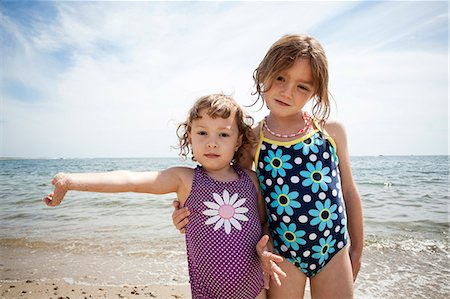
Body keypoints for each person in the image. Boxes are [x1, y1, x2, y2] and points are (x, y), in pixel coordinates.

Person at [172, 35, 364, 299]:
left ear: (316, 91)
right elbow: (229, 192)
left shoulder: (330, 131)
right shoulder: (253, 139)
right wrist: (187, 211)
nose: (287, 92)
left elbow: (349, 191)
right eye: (281, 78)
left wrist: (357, 249)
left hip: (332, 247)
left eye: (302, 87)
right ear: (264, 73)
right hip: (280, 253)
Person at [43, 93, 286, 299]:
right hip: (207, 290)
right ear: (189, 136)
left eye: (223, 135)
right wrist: (71, 182)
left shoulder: (251, 180)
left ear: (238, 141)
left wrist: (266, 249)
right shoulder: (185, 179)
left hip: (253, 287)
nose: (212, 143)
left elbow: (264, 225)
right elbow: (131, 181)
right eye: (203, 133)